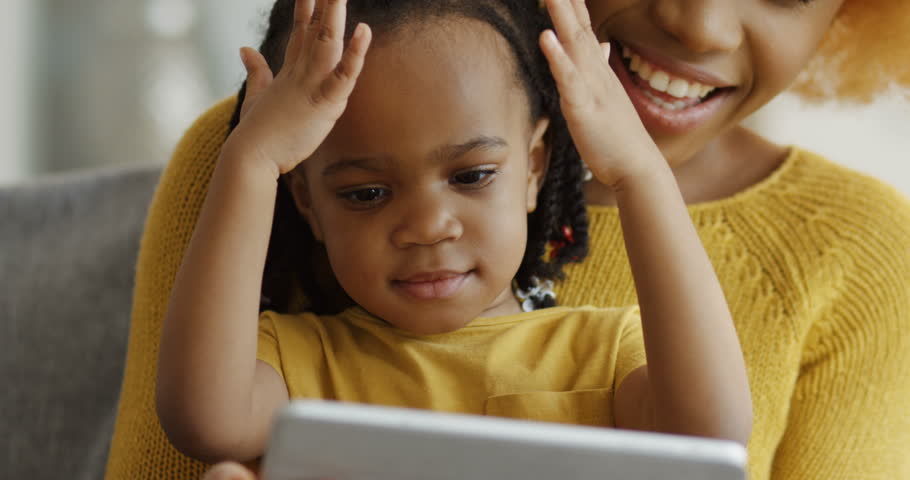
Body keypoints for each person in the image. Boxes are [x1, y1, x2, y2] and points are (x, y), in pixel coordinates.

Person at [104, 0, 910, 479]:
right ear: (304, 198)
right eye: (366, 193)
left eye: (471, 176)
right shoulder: (288, 315)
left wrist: (635, 175)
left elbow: (706, 428)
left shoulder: (603, 353)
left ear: (533, 165)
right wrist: (249, 161)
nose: (699, 25)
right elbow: (200, 419)